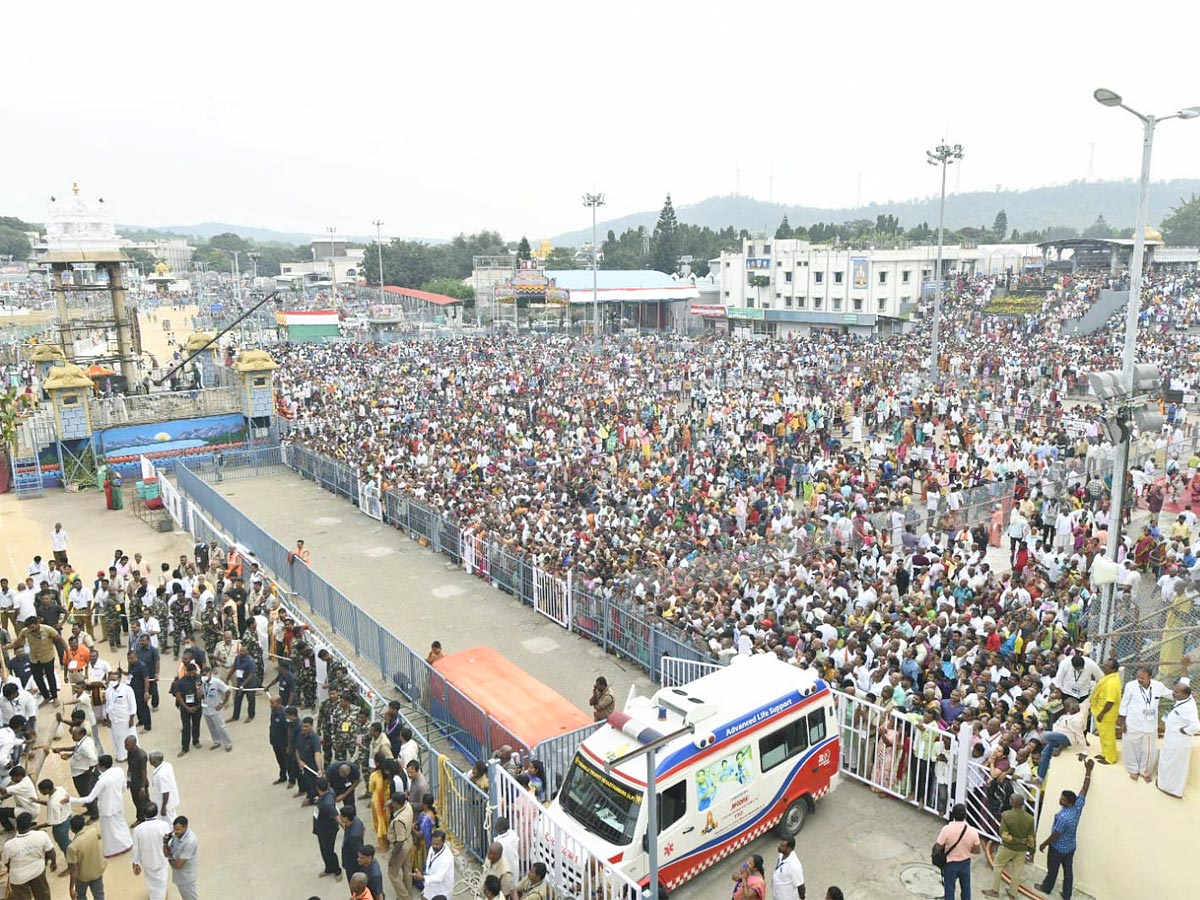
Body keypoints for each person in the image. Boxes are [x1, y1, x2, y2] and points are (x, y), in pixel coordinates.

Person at [1037, 758, 1094, 900]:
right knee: (1068, 872)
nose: (1060, 800)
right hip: (1070, 846)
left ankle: (1046, 888)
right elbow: (1084, 788)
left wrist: (1044, 844)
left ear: (1068, 803)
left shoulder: (1063, 817)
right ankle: (1066, 894)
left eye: (1062, 799)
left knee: (1053, 870)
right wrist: (1088, 771)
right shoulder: (1078, 805)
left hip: (1057, 848)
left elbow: (1055, 834)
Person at [71, 755, 132, 858]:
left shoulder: (102, 781)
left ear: (102, 766)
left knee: (109, 831)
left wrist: (70, 799)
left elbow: (90, 798)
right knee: (120, 824)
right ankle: (127, 843)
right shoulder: (119, 771)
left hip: (106, 808)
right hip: (118, 804)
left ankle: (114, 850)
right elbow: (123, 788)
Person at [1118, 666, 1171, 782]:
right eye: (1138, 677)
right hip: (1133, 723)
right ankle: (1133, 769)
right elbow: (1124, 704)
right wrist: (1122, 722)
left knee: (1149, 751)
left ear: (1150, 677)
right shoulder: (1130, 686)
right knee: (1131, 748)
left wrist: (1185, 685)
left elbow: (1173, 694)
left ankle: (1145, 771)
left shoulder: (1158, 686)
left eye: (1142, 678)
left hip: (1150, 725)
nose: (1139, 680)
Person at [983, 793, 1035, 899]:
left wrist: (1017, 840)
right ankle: (1012, 893)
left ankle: (995, 891)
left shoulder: (1006, 815)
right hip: (1022, 849)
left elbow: (1004, 835)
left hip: (1007, 847)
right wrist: (1032, 849)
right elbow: (1031, 836)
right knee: (1017, 871)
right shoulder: (1030, 818)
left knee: (998, 866)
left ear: (1011, 802)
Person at [1156, 677, 1200, 798]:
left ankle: (1172, 790)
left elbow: (1196, 726)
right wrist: (1184, 667)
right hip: (1171, 739)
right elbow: (1185, 681)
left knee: (1175, 766)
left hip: (1179, 742)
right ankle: (1163, 784)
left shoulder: (1189, 708)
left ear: (1185, 694)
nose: (1173, 693)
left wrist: (1184, 730)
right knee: (1167, 762)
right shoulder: (1184, 694)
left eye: (1176, 692)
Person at [0, 811, 56, 900]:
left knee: (22, 897)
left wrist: (11, 869)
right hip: (38, 871)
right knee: (43, 894)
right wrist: (54, 863)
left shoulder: (8, 845)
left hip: (18, 877)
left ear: (17, 826)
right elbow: (51, 851)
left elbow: (6, 862)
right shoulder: (42, 835)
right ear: (30, 825)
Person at [933, 803, 980, 900]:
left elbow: (938, 846)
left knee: (949, 888)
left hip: (951, 863)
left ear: (953, 815)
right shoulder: (973, 831)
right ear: (965, 816)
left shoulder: (946, 829)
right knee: (966, 888)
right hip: (965, 863)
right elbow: (977, 850)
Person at [131, 802, 172, 900]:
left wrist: (135, 863)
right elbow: (169, 842)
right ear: (156, 812)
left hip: (147, 860)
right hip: (161, 858)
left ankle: (155, 896)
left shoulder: (138, 829)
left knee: (151, 881)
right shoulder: (164, 825)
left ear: (144, 814)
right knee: (161, 880)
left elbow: (136, 848)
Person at [65, 814, 106, 900]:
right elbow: (101, 836)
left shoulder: (72, 847)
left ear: (72, 829)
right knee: (99, 895)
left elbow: (73, 870)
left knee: (81, 895)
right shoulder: (93, 832)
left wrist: (71, 888)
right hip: (97, 870)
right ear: (83, 824)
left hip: (83, 877)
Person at [1089, 658, 1122, 765]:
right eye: (1105, 664)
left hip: (1106, 714)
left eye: (1107, 666)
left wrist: (1101, 714)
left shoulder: (1112, 682)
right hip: (1100, 710)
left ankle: (1110, 758)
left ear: (1113, 670)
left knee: (1108, 736)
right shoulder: (1108, 677)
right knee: (1103, 735)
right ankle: (1105, 753)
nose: (1104, 666)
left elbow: (1110, 702)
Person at [385, 793, 414, 900]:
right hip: (409, 839)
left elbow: (399, 842)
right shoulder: (407, 806)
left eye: (393, 802)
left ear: (397, 804)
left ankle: (405, 897)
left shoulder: (398, 821)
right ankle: (408, 893)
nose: (391, 804)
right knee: (407, 869)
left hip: (401, 846)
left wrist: (393, 857)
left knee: (393, 873)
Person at [199, 665, 233, 752]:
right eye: (203, 675)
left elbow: (228, 691)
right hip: (206, 708)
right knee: (211, 727)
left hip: (216, 708)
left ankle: (228, 743)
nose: (204, 676)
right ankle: (216, 741)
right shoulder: (202, 682)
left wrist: (223, 703)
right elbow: (202, 694)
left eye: (205, 674)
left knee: (221, 726)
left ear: (210, 674)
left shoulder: (217, 682)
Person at [172, 663, 203, 757]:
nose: (192, 675)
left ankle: (196, 741)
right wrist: (187, 708)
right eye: (190, 673)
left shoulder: (199, 679)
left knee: (196, 724)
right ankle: (185, 747)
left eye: (193, 673)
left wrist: (198, 688)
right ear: (186, 672)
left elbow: (201, 695)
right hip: (185, 708)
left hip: (197, 706)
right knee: (186, 727)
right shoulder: (181, 682)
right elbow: (178, 696)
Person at [315, 777, 343, 880]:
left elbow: (336, 816)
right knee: (323, 849)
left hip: (328, 829)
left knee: (329, 851)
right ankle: (328, 868)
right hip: (320, 827)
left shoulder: (327, 804)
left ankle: (337, 870)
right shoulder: (330, 791)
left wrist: (346, 827)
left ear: (317, 788)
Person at [166, 815, 199, 900]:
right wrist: (165, 843)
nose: (175, 832)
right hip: (179, 875)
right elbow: (166, 853)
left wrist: (169, 859)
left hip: (186, 877)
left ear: (185, 827)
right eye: (174, 829)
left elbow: (178, 865)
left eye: (178, 829)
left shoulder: (190, 841)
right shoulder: (176, 835)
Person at [422, 828, 454, 900]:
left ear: (443, 842)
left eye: (437, 844)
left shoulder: (447, 857)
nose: (434, 846)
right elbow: (429, 867)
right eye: (433, 843)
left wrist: (422, 878)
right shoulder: (432, 848)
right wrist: (426, 887)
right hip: (431, 888)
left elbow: (439, 877)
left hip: (441, 892)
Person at [148, 751, 180, 822]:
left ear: (155, 761)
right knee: (172, 815)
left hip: (165, 802)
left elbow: (166, 792)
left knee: (170, 819)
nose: (149, 760)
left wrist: (163, 807)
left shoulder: (161, 775)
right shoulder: (167, 764)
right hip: (169, 798)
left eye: (150, 759)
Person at [773, 835, 805, 900]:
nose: (779, 846)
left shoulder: (794, 865)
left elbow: (801, 885)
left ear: (789, 849)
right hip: (778, 896)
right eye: (780, 844)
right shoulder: (782, 854)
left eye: (782, 846)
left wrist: (802, 898)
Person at [340, 805, 365, 881]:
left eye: (341, 815)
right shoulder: (356, 820)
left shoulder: (353, 836)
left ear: (346, 818)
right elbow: (363, 828)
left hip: (353, 864)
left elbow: (358, 852)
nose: (340, 817)